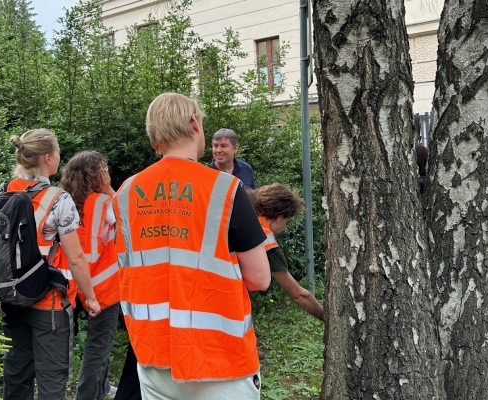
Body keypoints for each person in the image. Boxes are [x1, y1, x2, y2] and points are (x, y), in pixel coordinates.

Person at [113, 92, 270, 399]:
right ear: (194, 123)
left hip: (153, 358)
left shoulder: (126, 192)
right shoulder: (224, 188)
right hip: (219, 361)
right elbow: (260, 278)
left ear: (154, 137)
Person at [3, 129, 101, 400]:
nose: (60, 156)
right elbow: (76, 258)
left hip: (11, 297)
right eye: (58, 151)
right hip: (49, 303)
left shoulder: (5, 192)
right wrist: (90, 298)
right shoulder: (58, 199)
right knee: (51, 380)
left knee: (16, 376)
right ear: (47, 158)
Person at [60, 151, 119, 400]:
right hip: (103, 283)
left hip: (70, 282)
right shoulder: (104, 203)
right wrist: (109, 188)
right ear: (97, 175)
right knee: (99, 345)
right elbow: (130, 216)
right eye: (103, 168)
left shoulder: (62, 201)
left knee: (80, 343)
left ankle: (102, 387)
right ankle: (87, 395)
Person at [248, 184, 323, 322]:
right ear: (278, 218)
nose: (284, 228)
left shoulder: (240, 216)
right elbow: (298, 295)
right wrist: (328, 318)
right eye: (286, 222)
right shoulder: (264, 238)